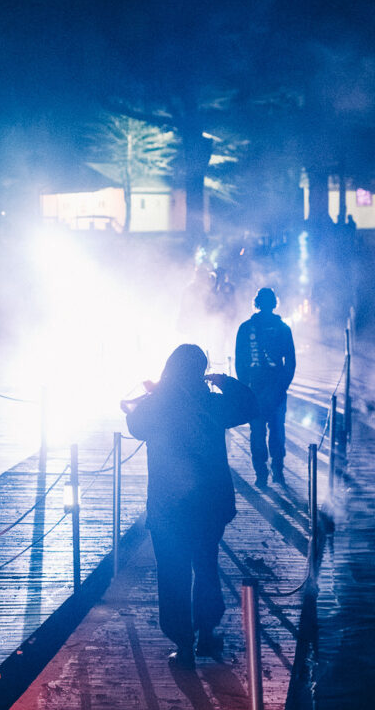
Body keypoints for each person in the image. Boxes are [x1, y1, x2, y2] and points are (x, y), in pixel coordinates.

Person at [122, 344, 257, 670]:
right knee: (206, 567)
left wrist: (155, 393)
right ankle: (207, 634)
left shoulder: (156, 407)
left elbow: (134, 424)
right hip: (208, 504)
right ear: (201, 371)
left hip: (168, 506)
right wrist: (223, 380)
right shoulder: (210, 404)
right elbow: (250, 405)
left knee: (172, 575)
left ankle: (182, 645)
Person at [234, 287, 296, 486]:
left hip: (255, 388)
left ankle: (262, 474)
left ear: (257, 303)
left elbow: (239, 361)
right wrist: (283, 384)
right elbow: (291, 362)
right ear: (273, 303)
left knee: (258, 432)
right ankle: (277, 471)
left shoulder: (245, 328)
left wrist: (245, 387)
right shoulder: (283, 329)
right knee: (277, 430)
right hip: (275, 387)